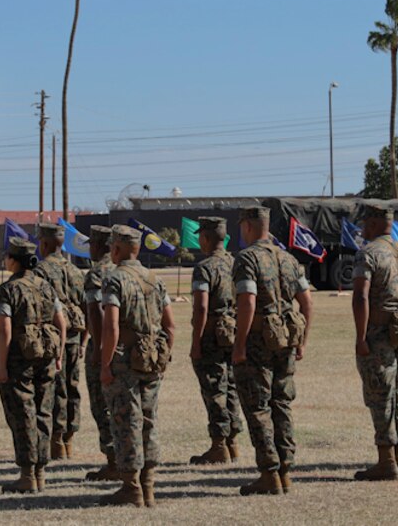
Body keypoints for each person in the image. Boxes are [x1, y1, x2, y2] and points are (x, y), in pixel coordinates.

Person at [231, 206, 313, 495]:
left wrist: (239, 344)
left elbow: (247, 303)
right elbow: (306, 302)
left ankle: (269, 473)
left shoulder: (247, 258)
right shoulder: (289, 259)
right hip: (286, 341)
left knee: (258, 407)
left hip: (257, 342)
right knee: (281, 403)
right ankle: (286, 470)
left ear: (249, 227)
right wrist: (302, 341)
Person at [99, 224, 175, 507]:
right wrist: (164, 356)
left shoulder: (114, 279)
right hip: (152, 358)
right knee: (148, 420)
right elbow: (171, 325)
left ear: (116, 249)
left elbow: (111, 327)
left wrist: (105, 364)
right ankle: (149, 487)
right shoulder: (154, 279)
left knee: (125, 421)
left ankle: (131, 488)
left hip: (124, 361)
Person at [351, 206, 398, 481]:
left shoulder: (367, 254)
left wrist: (360, 337)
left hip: (379, 332)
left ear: (373, 223)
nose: (362, 229)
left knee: (380, 395)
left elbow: (361, 297)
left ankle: (386, 461)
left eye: (365, 223)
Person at [0, 237, 67, 493]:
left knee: (23, 416)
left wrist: (1, 367)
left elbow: (4, 329)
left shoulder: (8, 289)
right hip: (46, 357)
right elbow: (62, 323)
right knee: (44, 413)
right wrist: (59, 355)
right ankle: (41, 474)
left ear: (13, 260)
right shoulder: (46, 286)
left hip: (19, 362)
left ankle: (27, 476)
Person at [188, 216, 244, 464]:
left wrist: (196, 342)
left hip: (212, 334)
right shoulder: (237, 263)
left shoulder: (205, 267)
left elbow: (201, 308)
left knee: (214, 390)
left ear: (207, 238)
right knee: (231, 387)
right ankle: (233, 443)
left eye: (200, 235)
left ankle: (218, 445)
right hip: (233, 332)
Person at [34, 222, 87, 459]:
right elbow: (87, 307)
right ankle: (68, 440)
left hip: (52, 337)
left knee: (53, 389)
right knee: (72, 387)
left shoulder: (40, 270)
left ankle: (56, 441)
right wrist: (85, 340)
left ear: (44, 243)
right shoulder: (76, 271)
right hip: (75, 336)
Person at [82, 224, 118, 481]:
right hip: (125, 347)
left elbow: (95, 313)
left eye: (92, 245)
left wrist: (97, 348)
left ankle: (114, 461)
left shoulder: (95, 275)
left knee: (102, 406)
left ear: (99, 246)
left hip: (102, 346)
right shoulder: (123, 270)